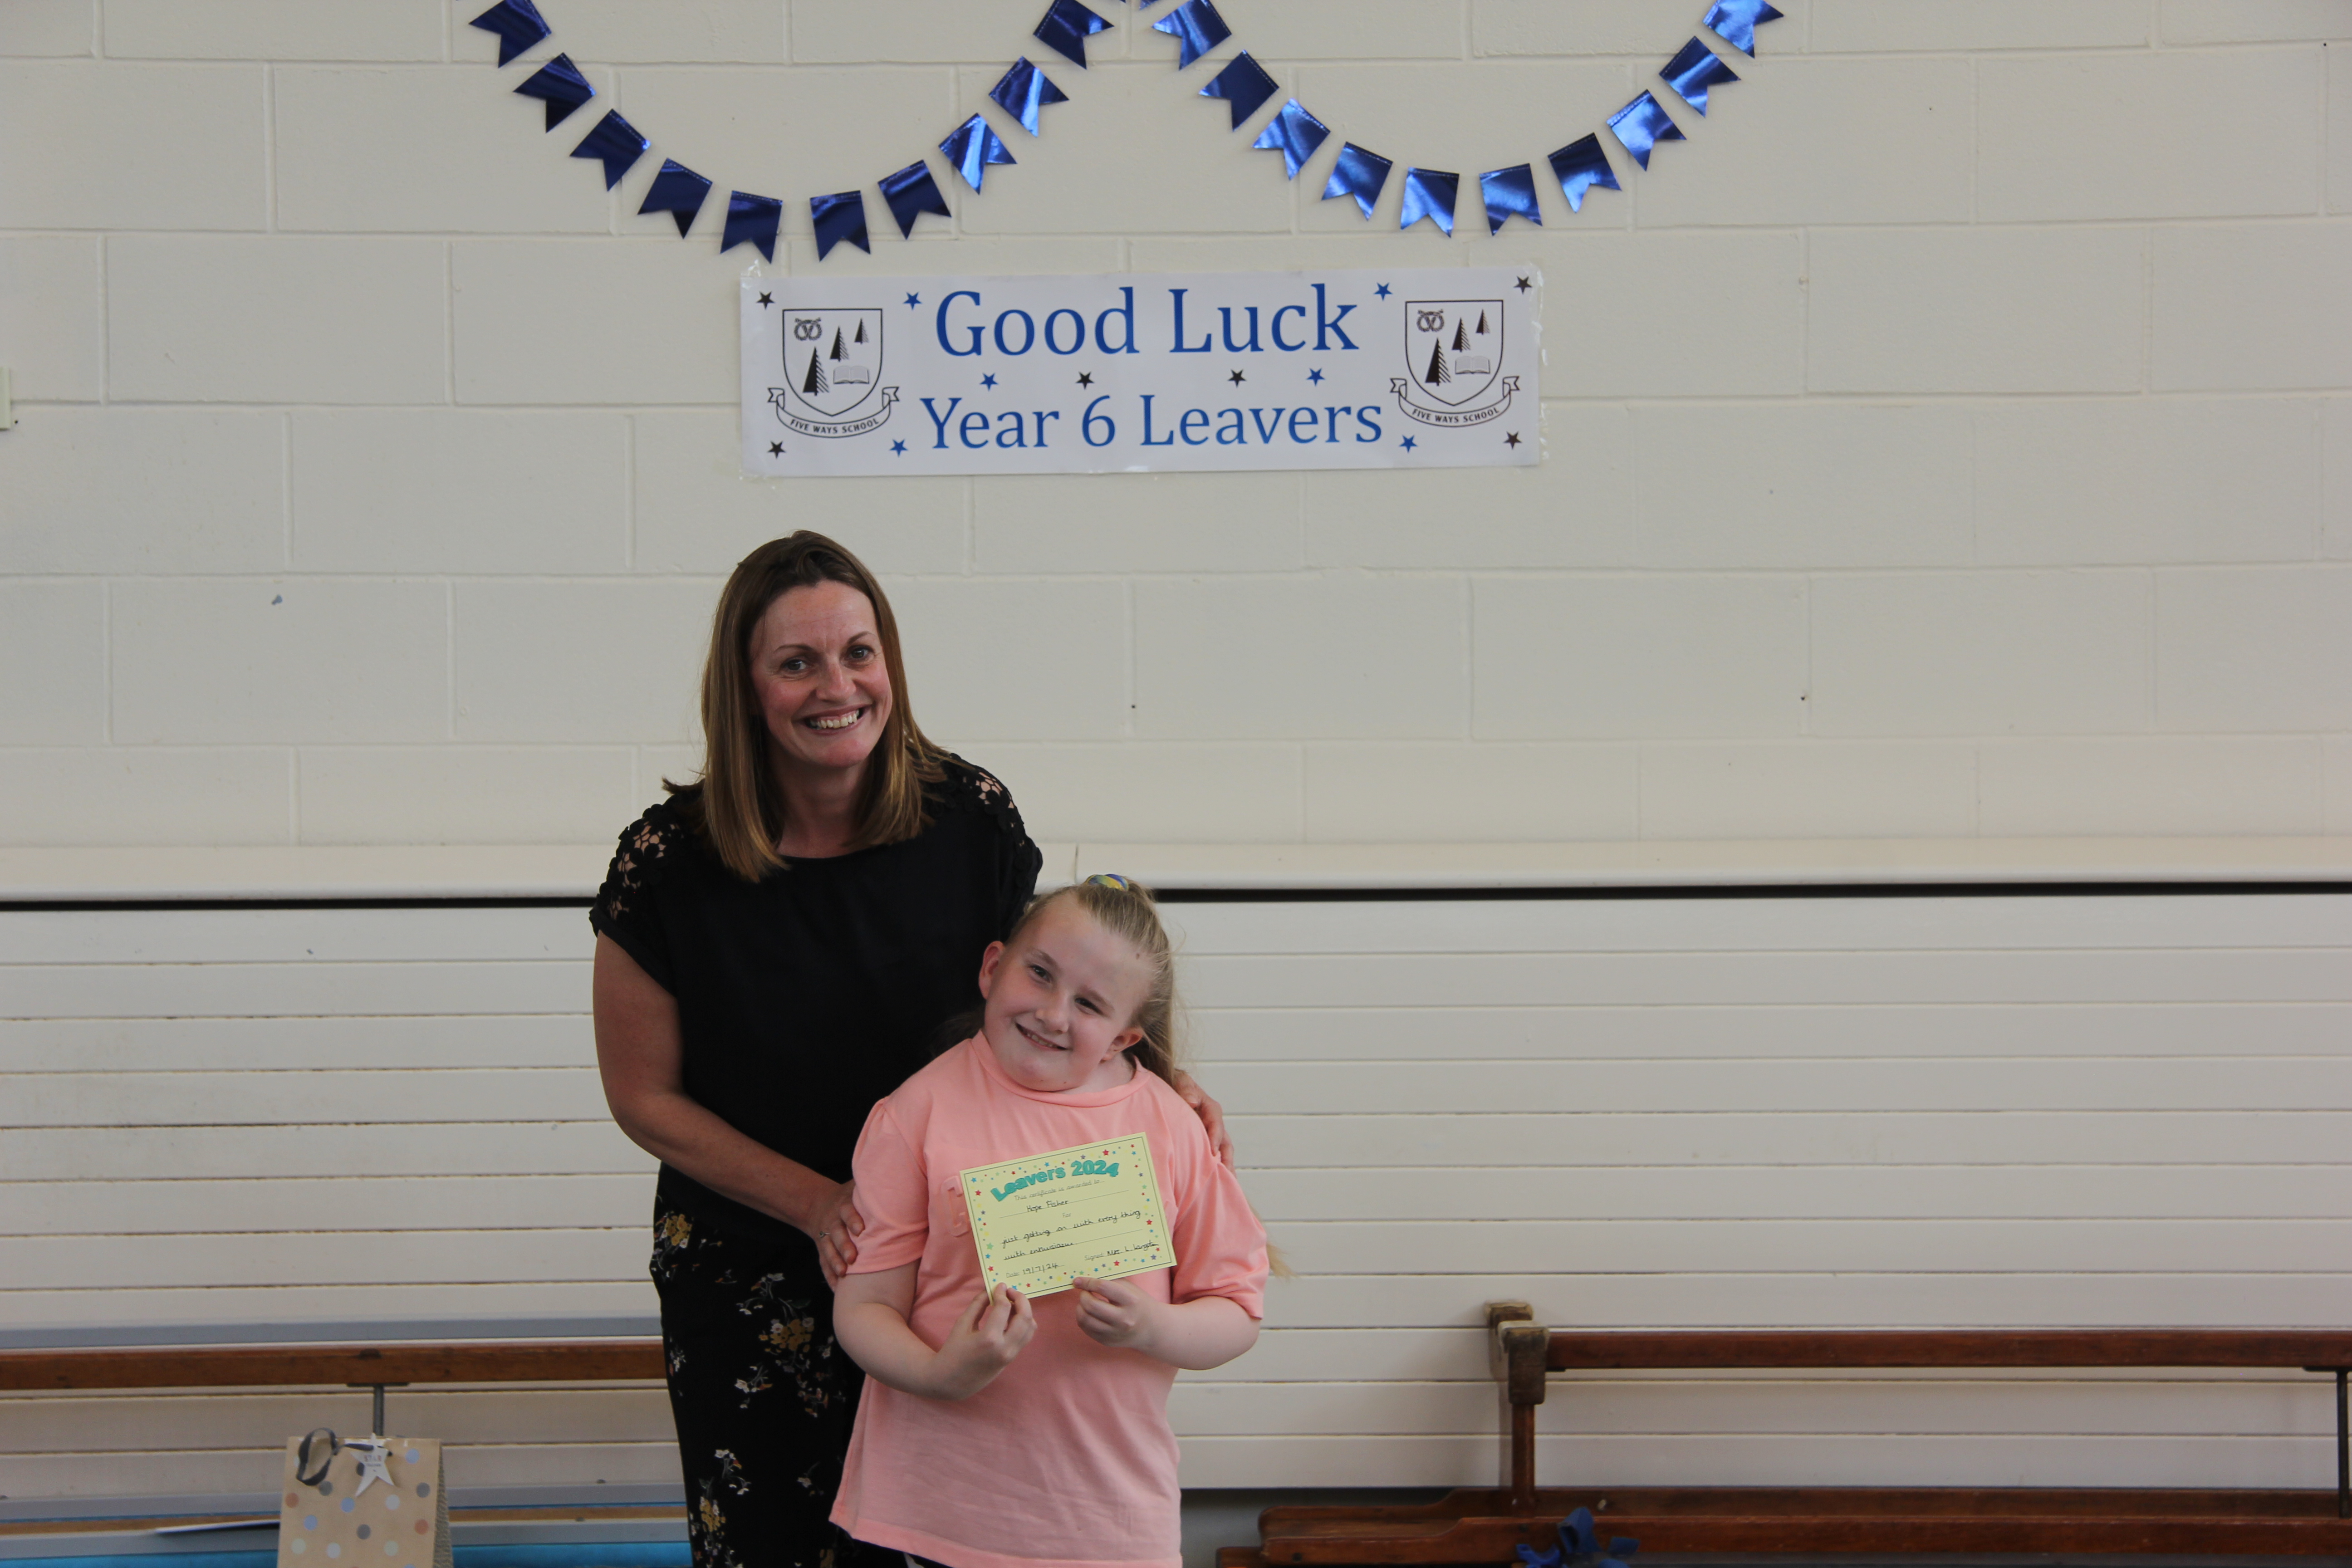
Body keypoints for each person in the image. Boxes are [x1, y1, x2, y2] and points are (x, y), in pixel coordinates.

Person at [590, 534, 1229, 1568]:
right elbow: (643, 1098)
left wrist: (1161, 1079)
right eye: (796, 663)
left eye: (859, 653)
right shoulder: (666, 862)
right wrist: (818, 1205)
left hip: (953, 1255)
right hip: (755, 1263)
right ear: (745, 688)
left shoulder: (967, 817)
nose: (836, 687)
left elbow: (1050, 996)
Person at [829, 875, 1269, 1568]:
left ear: (1124, 1036)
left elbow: (1237, 1311)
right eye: (1039, 974)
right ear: (992, 967)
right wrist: (941, 1373)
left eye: (1089, 1004)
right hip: (941, 1510)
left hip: (1108, 1519)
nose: (1053, 1013)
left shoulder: (1171, 1127)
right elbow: (864, 1307)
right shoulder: (915, 1114)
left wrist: (1155, 1328)